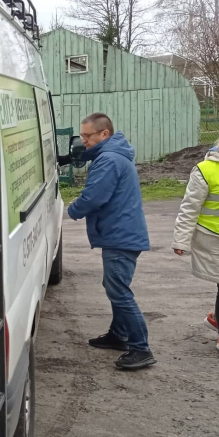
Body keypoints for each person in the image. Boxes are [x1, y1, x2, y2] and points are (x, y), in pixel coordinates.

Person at [68, 113, 155, 370]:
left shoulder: (108, 159)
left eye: (87, 136)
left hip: (120, 236)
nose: (83, 141)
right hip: (122, 233)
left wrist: (72, 209)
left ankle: (141, 348)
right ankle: (118, 335)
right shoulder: (114, 155)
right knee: (115, 286)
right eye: (82, 136)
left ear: (104, 133)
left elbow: (94, 196)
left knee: (119, 291)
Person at [173, 119, 219, 360]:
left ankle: (218, 318)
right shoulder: (205, 170)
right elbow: (189, 208)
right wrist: (181, 240)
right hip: (216, 241)